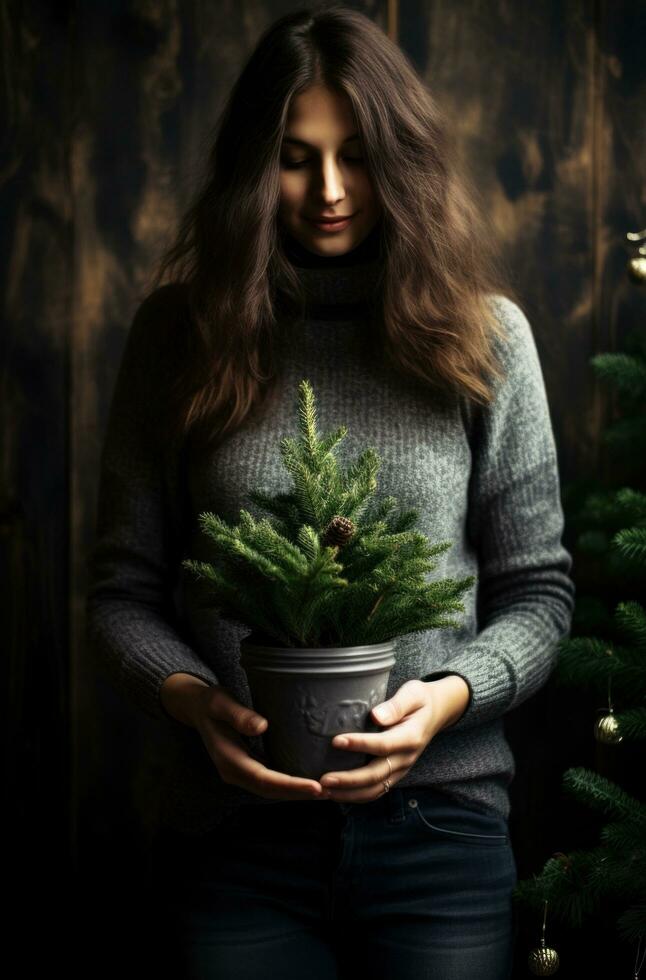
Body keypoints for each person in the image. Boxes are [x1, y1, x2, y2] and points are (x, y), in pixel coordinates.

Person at [85, 5, 575, 978]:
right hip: (231, 842)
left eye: (356, 154)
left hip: (442, 834)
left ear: (403, 160)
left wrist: (447, 696)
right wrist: (191, 702)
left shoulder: (487, 340)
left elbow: (539, 590)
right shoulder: (178, 338)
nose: (330, 191)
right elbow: (122, 588)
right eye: (295, 157)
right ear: (249, 169)